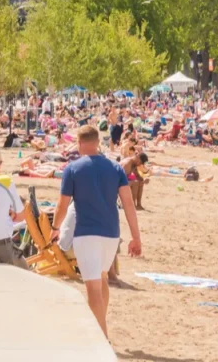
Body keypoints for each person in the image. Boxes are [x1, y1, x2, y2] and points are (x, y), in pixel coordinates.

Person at [51, 125, 142, 338]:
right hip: (111, 233)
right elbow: (129, 204)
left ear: (81, 143)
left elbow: (62, 205)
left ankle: (101, 338)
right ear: (98, 142)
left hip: (86, 233)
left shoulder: (73, 169)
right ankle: (100, 325)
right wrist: (136, 237)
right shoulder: (115, 168)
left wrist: (55, 228)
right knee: (101, 279)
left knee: (92, 287)